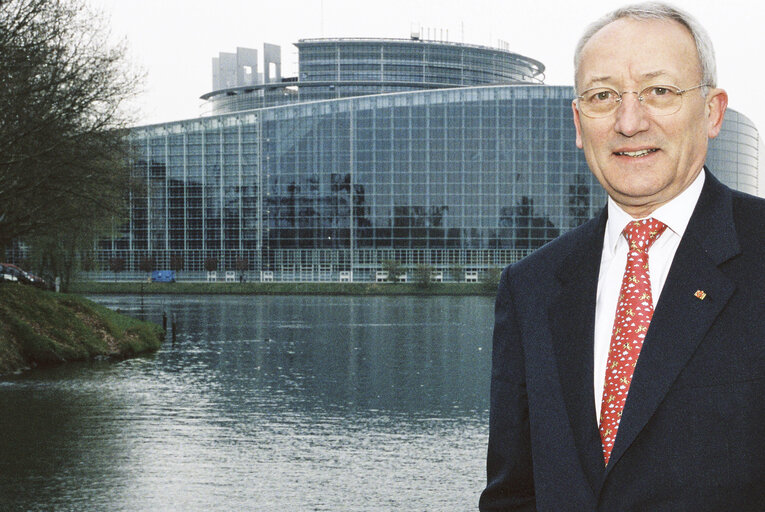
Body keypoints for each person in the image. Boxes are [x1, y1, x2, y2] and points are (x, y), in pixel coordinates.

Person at [479, 3, 765, 510]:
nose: (629, 121)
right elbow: (513, 493)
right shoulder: (531, 285)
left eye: (660, 91)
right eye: (603, 96)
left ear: (712, 111)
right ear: (578, 121)